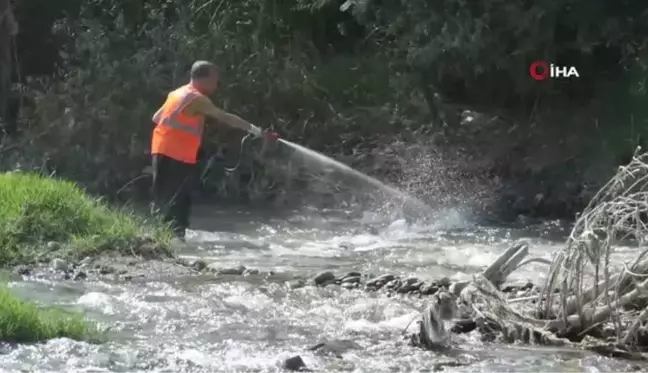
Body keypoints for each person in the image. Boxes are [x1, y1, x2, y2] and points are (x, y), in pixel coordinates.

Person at [150, 60, 263, 241]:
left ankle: (165, 241)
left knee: (167, 199)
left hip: (162, 151)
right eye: (215, 80)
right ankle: (171, 243)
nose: (217, 85)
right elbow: (223, 116)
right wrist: (253, 129)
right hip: (176, 155)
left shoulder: (177, 93)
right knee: (178, 203)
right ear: (204, 78)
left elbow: (157, 117)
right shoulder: (197, 99)